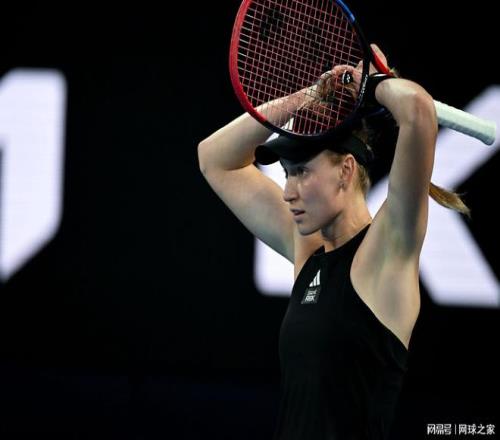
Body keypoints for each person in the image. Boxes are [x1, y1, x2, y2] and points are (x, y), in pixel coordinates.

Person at [197, 44, 469, 440]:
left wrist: (372, 85)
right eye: (287, 173)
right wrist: (310, 95)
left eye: (302, 172)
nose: (288, 192)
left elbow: (417, 110)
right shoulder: (309, 253)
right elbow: (213, 158)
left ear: (345, 170)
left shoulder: (386, 252)